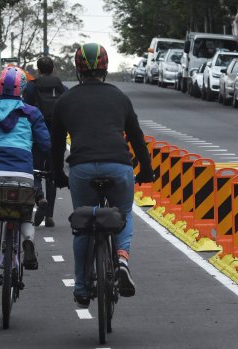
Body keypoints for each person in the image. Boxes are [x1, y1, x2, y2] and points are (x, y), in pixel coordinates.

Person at [51, 43, 154, 307]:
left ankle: (83, 288)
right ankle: (121, 259)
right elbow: (137, 138)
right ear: (106, 69)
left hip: (82, 168)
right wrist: (147, 170)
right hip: (118, 166)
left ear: (78, 70)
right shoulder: (119, 97)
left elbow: (56, 145)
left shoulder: (66, 100)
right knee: (124, 213)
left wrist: (57, 174)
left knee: (84, 224)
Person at [0, 66, 51, 303]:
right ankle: (28, 242)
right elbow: (45, 144)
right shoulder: (31, 113)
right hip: (24, 176)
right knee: (25, 217)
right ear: (22, 88)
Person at [23, 56, 68, 227]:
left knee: (33, 170)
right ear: (53, 69)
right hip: (57, 137)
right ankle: (50, 216)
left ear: (38, 69)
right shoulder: (61, 87)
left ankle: (39, 197)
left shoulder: (31, 87)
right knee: (53, 173)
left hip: (35, 135)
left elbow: (25, 110)